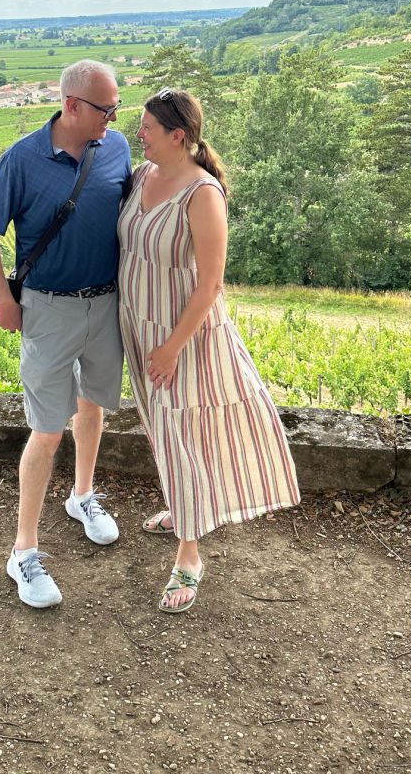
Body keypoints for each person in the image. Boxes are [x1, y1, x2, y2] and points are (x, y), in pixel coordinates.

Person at [118, 88, 300, 614]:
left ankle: (190, 554)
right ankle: (183, 504)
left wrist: (173, 347)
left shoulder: (202, 194)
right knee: (160, 424)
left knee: (185, 430)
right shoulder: (140, 177)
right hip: (139, 327)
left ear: (178, 136)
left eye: (148, 127)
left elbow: (211, 284)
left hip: (185, 336)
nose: (139, 133)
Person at [0, 60, 132, 609]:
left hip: (106, 304)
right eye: (104, 109)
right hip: (47, 309)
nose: (113, 119)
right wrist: (1, 298)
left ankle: (82, 496)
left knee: (93, 407)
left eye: (117, 108)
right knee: (46, 429)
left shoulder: (117, 148)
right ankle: (24, 552)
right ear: (71, 105)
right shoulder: (21, 159)